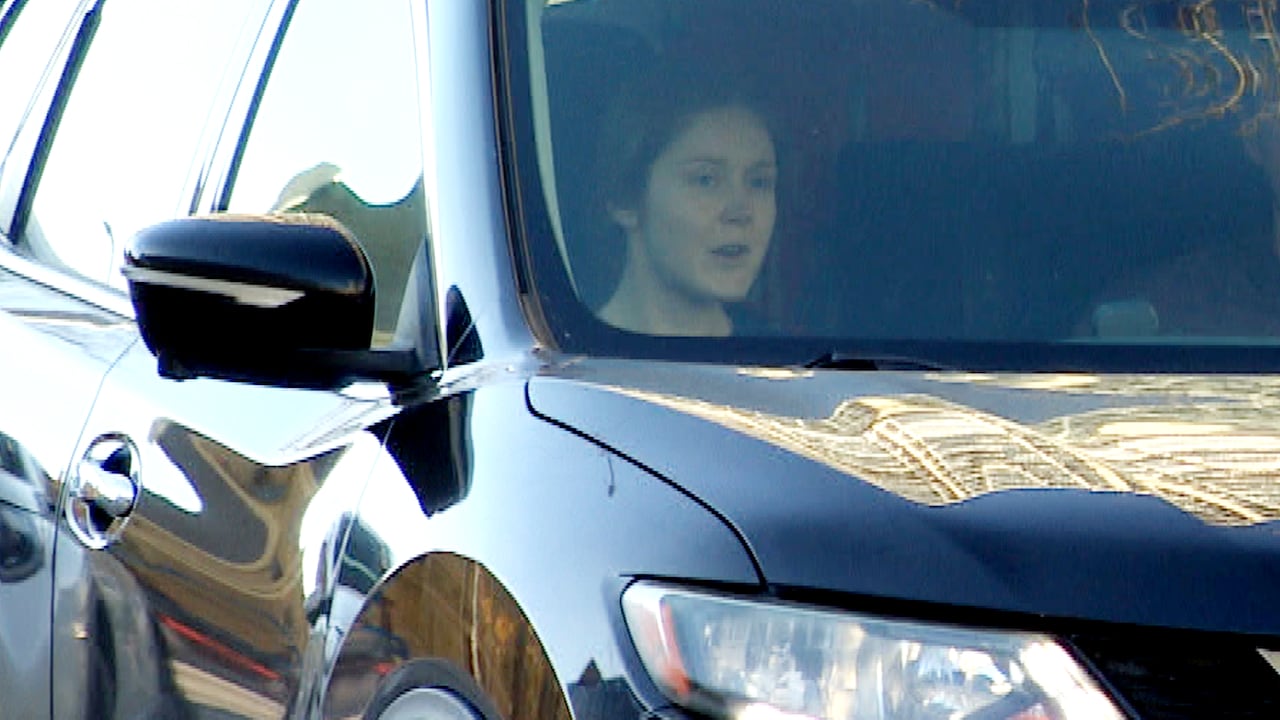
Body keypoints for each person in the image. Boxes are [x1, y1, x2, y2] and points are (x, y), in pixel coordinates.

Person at [591, 80, 779, 337]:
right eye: (706, 180)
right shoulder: (563, 354)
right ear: (626, 199)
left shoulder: (790, 356)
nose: (741, 212)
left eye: (759, 182)